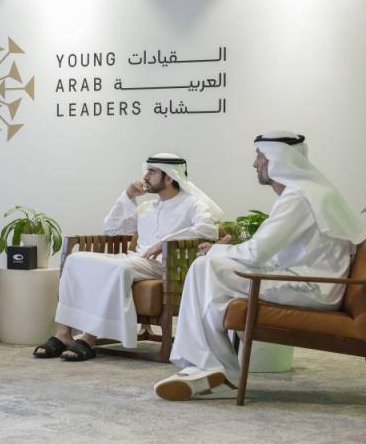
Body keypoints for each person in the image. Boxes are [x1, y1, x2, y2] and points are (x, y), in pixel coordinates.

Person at [155, 131, 366, 401]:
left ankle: (213, 367)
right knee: (206, 270)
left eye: (260, 157)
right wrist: (222, 251)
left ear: (279, 159)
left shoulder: (299, 197)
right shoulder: (307, 192)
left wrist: (218, 250)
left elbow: (256, 253)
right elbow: (268, 251)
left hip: (312, 288)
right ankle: (211, 367)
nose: (255, 164)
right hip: (305, 280)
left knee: (206, 267)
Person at [34, 154, 222, 361]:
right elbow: (112, 229)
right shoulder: (147, 207)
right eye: (146, 171)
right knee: (75, 259)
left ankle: (89, 338)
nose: (145, 176)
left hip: (166, 265)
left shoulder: (193, 204)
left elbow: (207, 229)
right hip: (136, 259)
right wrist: (128, 195)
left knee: (120, 268)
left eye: (152, 172)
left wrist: (164, 243)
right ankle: (64, 333)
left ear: (169, 177)